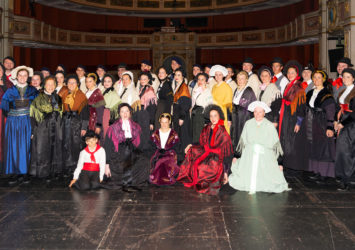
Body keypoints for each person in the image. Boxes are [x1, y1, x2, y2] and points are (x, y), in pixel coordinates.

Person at [228, 101, 290, 194]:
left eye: (260, 112)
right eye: (255, 112)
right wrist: (236, 156)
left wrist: (280, 163)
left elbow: (276, 145)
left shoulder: (269, 125)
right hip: (249, 155)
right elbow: (242, 141)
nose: (257, 114)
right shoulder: (248, 123)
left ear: (264, 113)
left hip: (265, 155)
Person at [177, 105, 233, 195]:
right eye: (211, 116)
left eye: (215, 115)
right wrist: (191, 145)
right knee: (192, 151)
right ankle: (192, 177)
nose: (213, 118)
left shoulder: (222, 131)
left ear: (219, 116)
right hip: (206, 152)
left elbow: (227, 153)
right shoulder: (207, 128)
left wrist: (226, 172)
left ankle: (203, 182)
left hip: (217, 157)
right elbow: (202, 144)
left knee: (201, 167)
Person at [1, 66, 38, 184]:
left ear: (28, 77)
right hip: (13, 121)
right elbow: (4, 105)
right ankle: (14, 172)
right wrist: (12, 112)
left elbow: (37, 107)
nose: (22, 77)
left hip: (27, 121)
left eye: (25, 75)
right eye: (20, 75)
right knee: (13, 146)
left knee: (26, 146)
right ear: (16, 76)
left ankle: (25, 172)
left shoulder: (33, 91)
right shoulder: (10, 90)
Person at [103, 103, 149, 192]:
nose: (125, 114)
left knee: (144, 162)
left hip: (132, 150)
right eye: (122, 111)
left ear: (130, 113)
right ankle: (125, 182)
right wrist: (106, 165)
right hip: (118, 153)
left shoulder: (136, 127)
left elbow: (141, 143)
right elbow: (107, 147)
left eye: (127, 111)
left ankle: (134, 183)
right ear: (119, 113)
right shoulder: (112, 128)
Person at [29, 76, 63, 181]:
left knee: (55, 148)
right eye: (48, 84)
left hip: (56, 126)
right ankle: (43, 172)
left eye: (52, 84)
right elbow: (32, 115)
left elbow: (60, 112)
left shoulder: (58, 98)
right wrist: (33, 131)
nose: (50, 86)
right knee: (43, 149)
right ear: (44, 85)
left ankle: (54, 171)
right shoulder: (38, 98)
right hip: (43, 127)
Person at [305, 70, 336, 184]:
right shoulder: (309, 92)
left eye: (319, 78)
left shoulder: (326, 94)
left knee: (323, 148)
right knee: (314, 147)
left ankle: (324, 174)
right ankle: (315, 171)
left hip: (322, 123)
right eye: (315, 77)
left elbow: (331, 112)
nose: (317, 80)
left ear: (323, 79)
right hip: (311, 123)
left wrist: (330, 127)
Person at [278, 60, 307, 175]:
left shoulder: (299, 88)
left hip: (293, 118)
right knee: (286, 140)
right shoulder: (288, 85)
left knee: (293, 142)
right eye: (289, 73)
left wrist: (299, 122)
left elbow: (301, 106)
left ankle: (294, 167)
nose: (290, 75)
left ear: (297, 74)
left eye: (292, 73)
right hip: (286, 117)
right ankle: (287, 165)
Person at [61, 75, 89, 175]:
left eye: (74, 82)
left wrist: (84, 127)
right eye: (69, 82)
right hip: (65, 122)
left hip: (77, 122)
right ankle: (66, 166)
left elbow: (86, 113)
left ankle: (76, 166)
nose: (71, 84)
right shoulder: (63, 94)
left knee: (76, 144)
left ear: (77, 84)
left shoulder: (81, 96)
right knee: (65, 144)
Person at [334, 68, 355, 190]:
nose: (345, 79)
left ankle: (346, 179)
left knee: (347, 152)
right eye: (343, 77)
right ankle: (344, 176)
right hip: (343, 122)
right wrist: (336, 121)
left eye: (348, 77)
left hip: (351, 125)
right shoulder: (342, 91)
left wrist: (343, 123)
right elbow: (338, 109)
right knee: (342, 151)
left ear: (353, 78)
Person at [149, 113, 180, 185]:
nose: (164, 124)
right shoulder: (155, 133)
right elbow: (151, 146)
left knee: (164, 164)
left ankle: (165, 179)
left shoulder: (173, 134)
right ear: (160, 122)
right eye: (162, 122)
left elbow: (177, 147)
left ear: (169, 122)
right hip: (158, 154)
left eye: (166, 122)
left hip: (170, 154)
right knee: (158, 162)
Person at [231, 71, 256, 146]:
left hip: (244, 117)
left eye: (242, 79)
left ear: (246, 80)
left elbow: (249, 106)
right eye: (238, 78)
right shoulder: (237, 90)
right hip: (236, 117)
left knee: (243, 136)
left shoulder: (248, 90)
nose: (240, 80)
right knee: (235, 135)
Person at [172, 68, 191, 162]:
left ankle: (184, 158)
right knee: (178, 135)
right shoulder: (178, 85)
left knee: (183, 135)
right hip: (177, 113)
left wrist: (181, 117)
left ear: (183, 76)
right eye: (175, 75)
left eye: (179, 75)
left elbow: (186, 104)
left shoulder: (184, 87)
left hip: (181, 115)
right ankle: (179, 156)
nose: (176, 77)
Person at [136, 72, 157, 152]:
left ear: (148, 80)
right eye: (141, 79)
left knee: (146, 138)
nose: (142, 80)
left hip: (146, 116)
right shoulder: (142, 89)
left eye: (145, 79)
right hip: (141, 115)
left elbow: (152, 108)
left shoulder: (150, 91)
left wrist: (151, 122)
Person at [191, 72, 213, 144]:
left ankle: (200, 153)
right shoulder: (197, 90)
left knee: (200, 135)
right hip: (195, 114)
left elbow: (209, 106)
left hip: (202, 115)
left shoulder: (208, 91)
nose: (200, 81)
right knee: (194, 134)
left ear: (206, 81)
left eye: (202, 80)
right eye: (199, 79)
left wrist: (207, 120)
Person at [210, 65, 233, 134]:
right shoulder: (214, 87)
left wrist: (229, 119)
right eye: (216, 75)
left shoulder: (227, 87)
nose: (218, 76)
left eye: (220, 75)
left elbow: (229, 104)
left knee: (223, 134)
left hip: (223, 114)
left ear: (223, 75)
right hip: (214, 114)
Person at [0, 63, 13, 169]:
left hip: (6, 116)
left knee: (5, 138)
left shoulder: (8, 83)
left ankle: (4, 163)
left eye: (0, 69)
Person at [102, 74, 121, 140]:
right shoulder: (104, 91)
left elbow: (116, 108)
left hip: (108, 115)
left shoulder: (113, 93)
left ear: (112, 82)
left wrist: (111, 121)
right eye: (105, 81)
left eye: (109, 81)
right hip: (103, 114)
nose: (106, 83)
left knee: (107, 134)